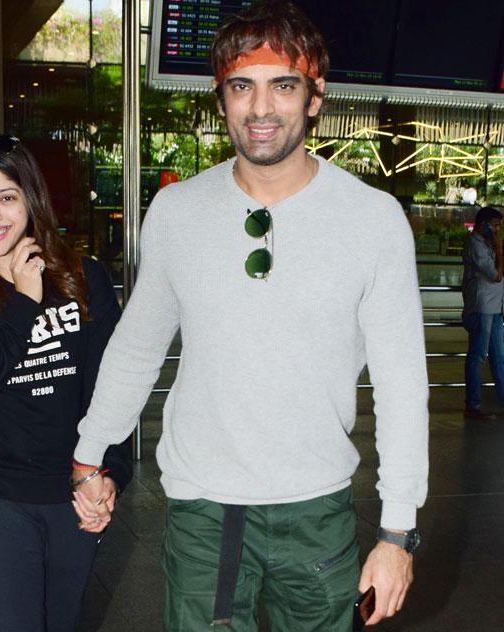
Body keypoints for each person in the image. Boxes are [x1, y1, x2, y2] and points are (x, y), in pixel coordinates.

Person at [71, 1, 428, 630]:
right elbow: (137, 345)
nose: (261, 109)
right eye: (243, 86)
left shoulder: (373, 220)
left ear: (315, 97)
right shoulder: (178, 211)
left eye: (283, 86)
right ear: (221, 98)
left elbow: (402, 385)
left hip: (317, 509)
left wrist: (397, 533)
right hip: (204, 509)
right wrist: (90, 453)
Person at [0, 134, 131, 632]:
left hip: (69, 491)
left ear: (31, 201)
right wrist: (21, 299)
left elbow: (111, 386)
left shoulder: (85, 277)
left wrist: (109, 476)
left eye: (7, 198)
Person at [462, 205, 504, 420]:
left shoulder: (487, 243)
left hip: (495, 308)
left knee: (499, 358)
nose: (497, 230)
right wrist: (498, 249)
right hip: (481, 308)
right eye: (495, 225)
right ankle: (473, 405)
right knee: (477, 357)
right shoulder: (476, 245)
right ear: (483, 225)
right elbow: (495, 275)